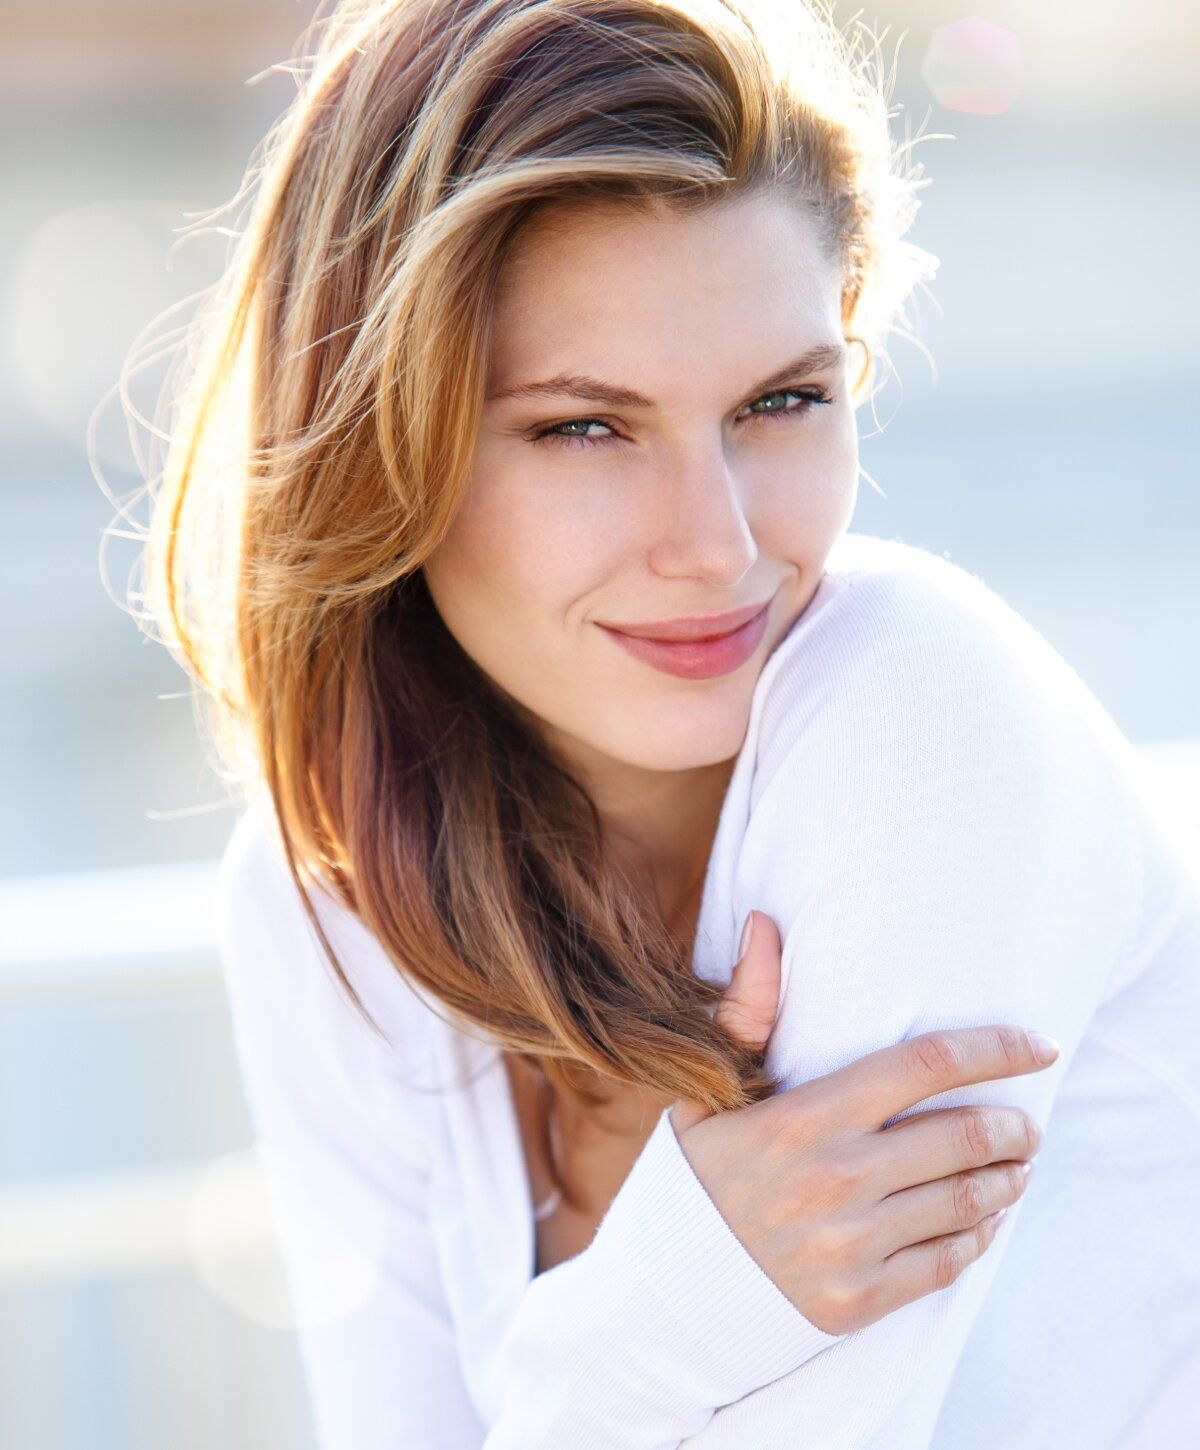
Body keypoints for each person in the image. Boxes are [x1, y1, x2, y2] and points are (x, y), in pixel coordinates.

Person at [137, 0, 1200, 1444]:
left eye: (781, 401)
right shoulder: (325, 892)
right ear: (384, 443)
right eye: (585, 425)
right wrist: (671, 1305)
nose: (716, 543)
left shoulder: (926, 715)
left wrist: (633, 1329)